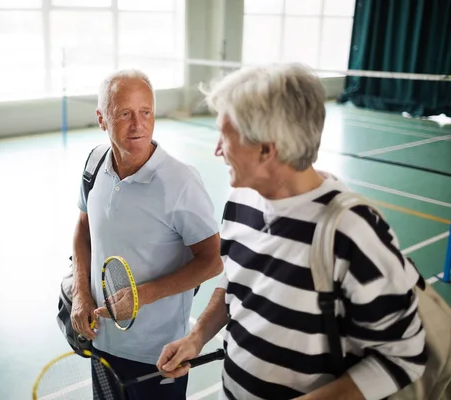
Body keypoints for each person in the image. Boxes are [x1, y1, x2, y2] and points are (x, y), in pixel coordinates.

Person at [156, 63, 427, 400]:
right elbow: (237, 283)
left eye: (225, 136)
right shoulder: (241, 200)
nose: (217, 149)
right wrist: (197, 336)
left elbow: (403, 356)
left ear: (267, 149)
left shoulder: (351, 233)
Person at [70, 69, 223, 399]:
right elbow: (83, 229)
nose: (138, 125)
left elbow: (212, 261)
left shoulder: (181, 182)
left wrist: (142, 296)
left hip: (158, 354)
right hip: (101, 340)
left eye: (146, 112)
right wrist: (81, 292)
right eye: (125, 114)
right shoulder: (94, 164)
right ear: (102, 118)